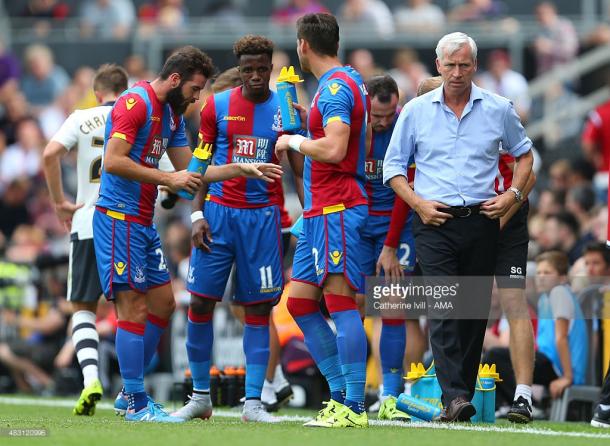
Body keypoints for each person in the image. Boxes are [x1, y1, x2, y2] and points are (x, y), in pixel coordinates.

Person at [93, 46, 282, 423]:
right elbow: (112, 161)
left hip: (143, 222)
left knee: (163, 304)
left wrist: (241, 170)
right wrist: (166, 179)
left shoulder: (173, 118)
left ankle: (128, 392)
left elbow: (192, 172)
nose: (198, 98)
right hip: (117, 217)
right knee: (133, 308)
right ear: (176, 79)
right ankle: (134, 400)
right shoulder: (136, 103)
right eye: (195, 90)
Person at [383, 32, 534, 422]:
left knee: (472, 313)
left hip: (482, 220)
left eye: (463, 64)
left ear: (474, 66)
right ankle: (453, 395)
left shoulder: (499, 108)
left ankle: (460, 396)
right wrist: (418, 203)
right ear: (438, 66)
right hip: (434, 221)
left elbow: (525, 155)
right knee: (443, 305)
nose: (456, 72)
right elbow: (393, 168)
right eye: (449, 64)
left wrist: (512, 196)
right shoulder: (415, 111)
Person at [171, 36, 303, 424]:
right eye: (248, 69)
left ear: (271, 66)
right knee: (199, 303)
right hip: (219, 216)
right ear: (240, 68)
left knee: (258, 309)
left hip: (263, 220)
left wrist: (309, 213)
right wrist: (196, 216)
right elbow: (200, 162)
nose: (256, 75)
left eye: (263, 68)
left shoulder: (284, 108)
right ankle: (199, 398)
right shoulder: (217, 106)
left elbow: (297, 166)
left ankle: (253, 405)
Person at [275, 12, 371, 428]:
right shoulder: (343, 81)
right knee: (299, 301)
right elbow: (333, 131)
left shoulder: (333, 88)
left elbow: (334, 149)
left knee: (339, 302)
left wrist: (293, 139)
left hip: (337, 208)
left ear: (302, 45)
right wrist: (307, 117)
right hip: (319, 213)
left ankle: (354, 406)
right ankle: (338, 396)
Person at [42, 64, 129, 416]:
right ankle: (132, 388)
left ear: (97, 93)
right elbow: (168, 171)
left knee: (83, 307)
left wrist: (59, 202)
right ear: (125, 91)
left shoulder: (82, 117)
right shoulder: (135, 117)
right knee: (130, 308)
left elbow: (49, 154)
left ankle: (90, 379)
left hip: (87, 222)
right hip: (126, 224)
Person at [356, 74, 416, 422]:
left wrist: (391, 244)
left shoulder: (405, 127)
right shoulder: (350, 126)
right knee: (356, 307)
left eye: (388, 116)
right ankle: (352, 391)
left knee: (392, 307)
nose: (381, 122)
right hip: (358, 226)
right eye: (375, 116)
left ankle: (391, 394)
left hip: (397, 227)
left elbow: (404, 195)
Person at [485, 251, 588, 410]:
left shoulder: (559, 293)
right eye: (539, 272)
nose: (540, 276)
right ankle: (508, 404)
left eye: (547, 272)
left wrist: (567, 377)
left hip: (559, 367)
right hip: (549, 362)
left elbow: (561, 338)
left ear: (562, 278)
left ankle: (528, 403)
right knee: (504, 357)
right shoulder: (545, 299)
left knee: (495, 356)